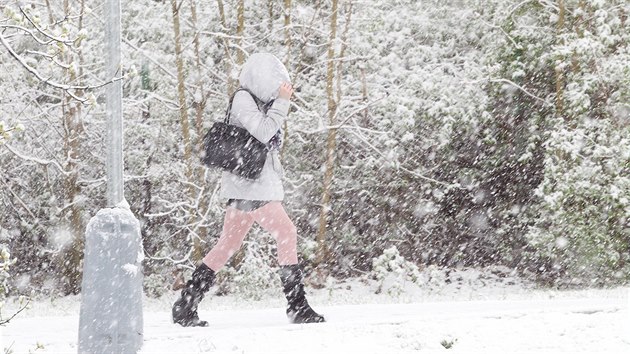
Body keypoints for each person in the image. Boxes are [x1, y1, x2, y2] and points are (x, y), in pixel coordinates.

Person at [172, 53, 325, 327]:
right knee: (287, 233)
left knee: (227, 245)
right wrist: (282, 103)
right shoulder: (244, 98)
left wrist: (277, 103)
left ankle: (186, 303)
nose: (280, 87)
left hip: (248, 186)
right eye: (275, 82)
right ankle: (297, 305)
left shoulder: (260, 102)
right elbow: (264, 132)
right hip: (252, 187)